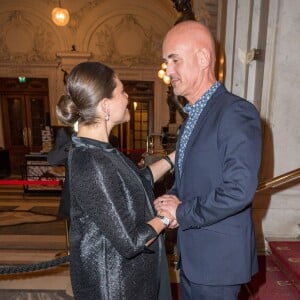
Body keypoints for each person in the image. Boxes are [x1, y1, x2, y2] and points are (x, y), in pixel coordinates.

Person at [154, 20, 262, 300]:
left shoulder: (236, 113)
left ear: (203, 58)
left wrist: (182, 212)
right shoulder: (194, 115)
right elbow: (192, 178)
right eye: (166, 62)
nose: (169, 71)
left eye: (175, 60)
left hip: (218, 262)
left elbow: (239, 189)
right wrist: (172, 200)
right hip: (194, 255)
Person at [55, 61, 176, 300]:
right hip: (115, 287)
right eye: (122, 91)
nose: (127, 95)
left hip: (127, 277)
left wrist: (175, 158)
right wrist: (167, 217)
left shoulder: (100, 150)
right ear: (105, 106)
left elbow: (138, 180)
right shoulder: (91, 161)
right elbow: (130, 242)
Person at [47, 126, 73, 221]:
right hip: (72, 199)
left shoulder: (102, 128)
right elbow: (53, 159)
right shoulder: (66, 132)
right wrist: (74, 142)